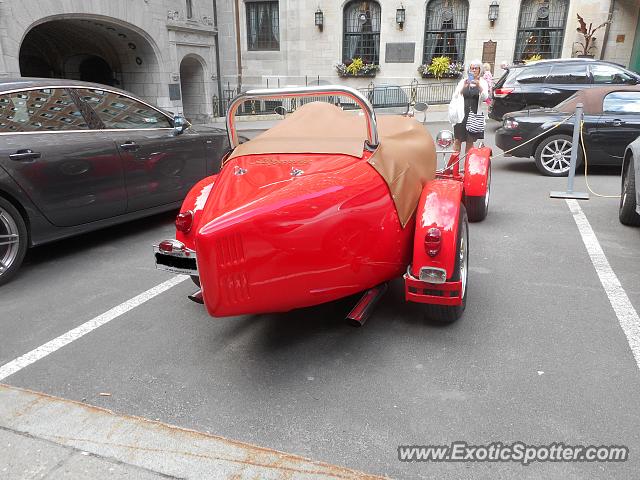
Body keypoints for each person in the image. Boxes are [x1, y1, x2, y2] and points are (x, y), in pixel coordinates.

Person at [451, 59, 489, 155]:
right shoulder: (463, 81)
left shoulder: (483, 82)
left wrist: (479, 86)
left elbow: (485, 97)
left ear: (479, 70)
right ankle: (454, 165)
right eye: (471, 68)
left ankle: (467, 167)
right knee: (457, 140)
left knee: (470, 142)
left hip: (474, 116)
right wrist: (464, 86)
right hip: (461, 115)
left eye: (475, 68)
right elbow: (455, 96)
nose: (473, 70)